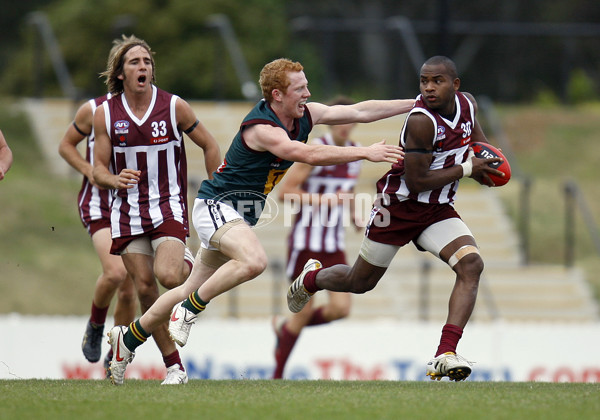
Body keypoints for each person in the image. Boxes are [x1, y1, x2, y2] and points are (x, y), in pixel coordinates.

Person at [104, 57, 414, 385]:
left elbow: (361, 112)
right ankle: (191, 310)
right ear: (277, 95)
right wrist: (365, 152)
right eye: (300, 88)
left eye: (307, 85)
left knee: (186, 288)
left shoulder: (305, 115)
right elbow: (306, 155)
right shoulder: (262, 128)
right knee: (254, 261)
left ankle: (128, 340)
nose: (308, 93)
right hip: (217, 206)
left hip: (237, 215)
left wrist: (414, 103)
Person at [286, 55, 506, 382]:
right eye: (423, 81)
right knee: (359, 282)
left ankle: (445, 353)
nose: (429, 88)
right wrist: (468, 169)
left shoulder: (468, 105)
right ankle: (311, 280)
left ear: (455, 85)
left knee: (471, 265)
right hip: (399, 208)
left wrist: (490, 163)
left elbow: (478, 143)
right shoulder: (421, 121)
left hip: (436, 210)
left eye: (437, 81)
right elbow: (417, 182)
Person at [93, 35, 221, 385]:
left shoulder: (173, 106)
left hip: (168, 205)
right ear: (120, 73)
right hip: (128, 212)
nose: (143, 67)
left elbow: (209, 144)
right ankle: (175, 367)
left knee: (168, 277)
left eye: (147, 62)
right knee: (146, 289)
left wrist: (218, 194)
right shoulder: (105, 113)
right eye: (135, 62)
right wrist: (114, 179)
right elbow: (97, 169)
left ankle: (190, 263)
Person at [272, 95, 364, 379]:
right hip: (306, 243)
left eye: (351, 120)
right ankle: (276, 376)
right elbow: (285, 192)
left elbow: (345, 193)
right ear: (331, 120)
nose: (346, 125)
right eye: (341, 119)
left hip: (333, 243)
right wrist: (324, 200)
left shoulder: (356, 153)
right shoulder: (315, 150)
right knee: (303, 310)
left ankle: (283, 329)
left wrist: (354, 216)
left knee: (341, 308)